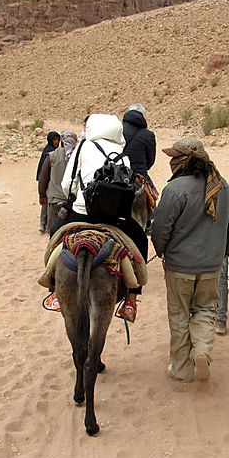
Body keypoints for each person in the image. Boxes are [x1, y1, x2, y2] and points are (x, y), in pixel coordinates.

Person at [151, 137, 229, 382]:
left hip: (180, 266)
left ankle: (181, 369)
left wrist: (162, 251)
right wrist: (222, 252)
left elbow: (160, 229)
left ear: (184, 161)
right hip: (212, 267)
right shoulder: (221, 185)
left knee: (179, 316)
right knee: (205, 310)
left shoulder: (175, 189)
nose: (172, 161)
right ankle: (201, 351)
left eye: (175, 157)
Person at [57, 113, 148, 319]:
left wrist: (74, 197)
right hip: (113, 217)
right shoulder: (122, 154)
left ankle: (54, 291)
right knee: (140, 240)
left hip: (82, 213)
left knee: (56, 233)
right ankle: (132, 299)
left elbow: (67, 184)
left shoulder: (82, 147)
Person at [38, 130, 78, 236]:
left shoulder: (52, 156)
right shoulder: (79, 156)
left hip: (55, 199)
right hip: (73, 201)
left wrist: (42, 195)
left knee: (54, 233)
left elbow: (43, 177)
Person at [121, 104, 156, 183]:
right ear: (142, 115)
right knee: (154, 193)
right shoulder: (148, 135)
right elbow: (150, 160)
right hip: (139, 175)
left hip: (119, 174)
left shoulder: (117, 130)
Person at [36, 130, 61, 232]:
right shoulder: (49, 152)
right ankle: (43, 224)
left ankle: (45, 224)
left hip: (50, 180)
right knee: (46, 202)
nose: (56, 142)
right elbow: (44, 169)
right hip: (47, 180)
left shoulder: (52, 151)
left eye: (57, 140)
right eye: (54, 140)